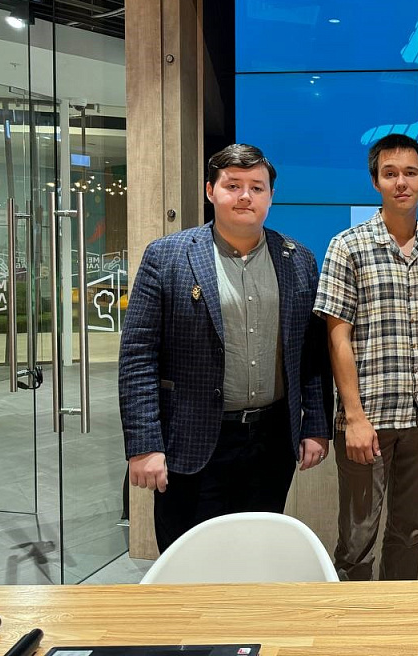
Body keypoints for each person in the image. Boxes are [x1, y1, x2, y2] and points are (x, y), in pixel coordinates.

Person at [119, 143, 332, 552]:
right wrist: (145, 444)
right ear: (210, 191)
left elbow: (311, 354)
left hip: (271, 442)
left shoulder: (298, 260)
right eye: (233, 185)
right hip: (192, 441)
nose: (245, 196)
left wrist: (316, 427)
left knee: (255, 555)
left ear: (270, 196)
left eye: (257, 187)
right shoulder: (167, 257)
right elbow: (137, 358)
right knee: (189, 561)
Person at [314, 133, 418, 581]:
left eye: (410, 173)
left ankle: (397, 613)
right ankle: (354, 618)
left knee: (411, 530)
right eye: (390, 174)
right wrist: (353, 417)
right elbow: (338, 337)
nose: (401, 182)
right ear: (375, 181)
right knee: (357, 537)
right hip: (369, 418)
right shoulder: (347, 246)